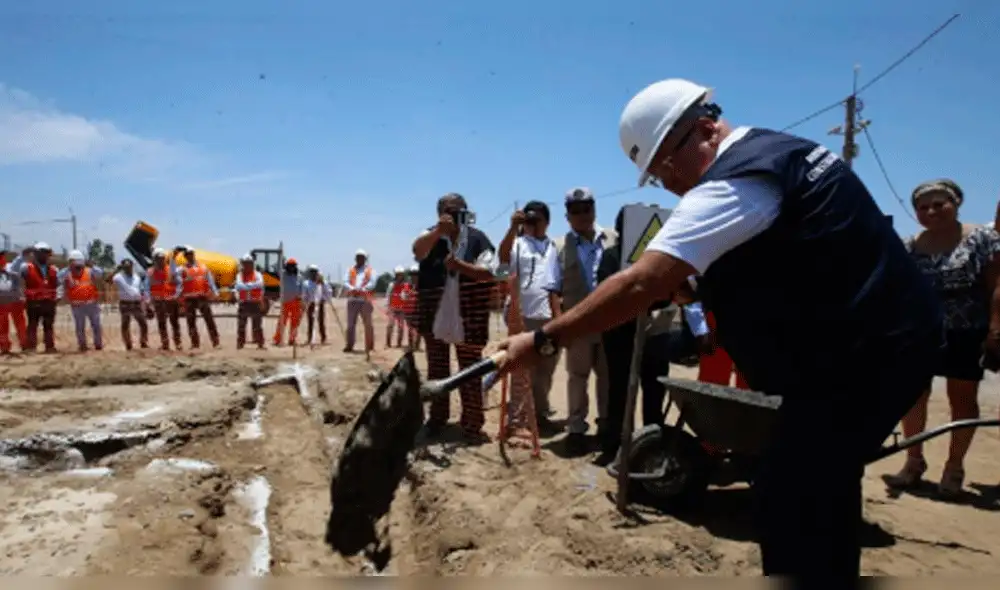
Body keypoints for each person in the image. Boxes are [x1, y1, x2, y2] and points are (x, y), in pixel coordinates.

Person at [494, 78, 944, 581]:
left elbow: (640, 281)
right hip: (877, 344)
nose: (665, 184)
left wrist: (542, 339)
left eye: (663, 168)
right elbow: (790, 260)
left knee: (792, 499)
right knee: (817, 486)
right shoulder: (780, 150)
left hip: (863, 356)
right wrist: (704, 289)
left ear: (705, 130)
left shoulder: (736, 180)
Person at [884, 179, 1000, 498]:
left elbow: (996, 287)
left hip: (967, 331)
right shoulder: (911, 246)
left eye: (939, 204)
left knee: (961, 399)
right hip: (922, 331)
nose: (931, 211)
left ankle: (954, 467)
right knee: (912, 396)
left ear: (956, 203)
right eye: (923, 207)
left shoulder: (982, 239)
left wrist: (995, 329)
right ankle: (913, 461)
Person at [412, 192, 497, 442]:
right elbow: (418, 252)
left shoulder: (477, 238)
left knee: (470, 369)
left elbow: (490, 271)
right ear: (440, 213)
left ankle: (472, 425)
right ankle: (437, 420)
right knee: (437, 368)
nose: (454, 215)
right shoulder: (429, 235)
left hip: (468, 313)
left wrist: (460, 267)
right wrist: (439, 232)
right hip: (434, 312)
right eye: (448, 210)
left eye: (459, 210)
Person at [595, 205, 675, 464]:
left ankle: (652, 446)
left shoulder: (659, 259)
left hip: (654, 334)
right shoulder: (611, 257)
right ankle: (616, 445)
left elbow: (667, 294)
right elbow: (608, 293)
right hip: (618, 334)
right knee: (619, 390)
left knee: (654, 389)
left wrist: (647, 301)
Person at [543, 188, 618, 455]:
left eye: (586, 208)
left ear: (594, 209)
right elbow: (552, 288)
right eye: (576, 211)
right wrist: (559, 325)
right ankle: (576, 429)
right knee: (577, 377)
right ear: (567, 216)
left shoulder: (613, 239)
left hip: (610, 321)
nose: (582, 215)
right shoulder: (559, 245)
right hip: (577, 325)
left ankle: (607, 426)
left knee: (607, 377)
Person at [497, 200, 560, 433]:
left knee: (546, 368)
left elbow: (555, 284)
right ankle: (516, 418)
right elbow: (502, 264)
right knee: (521, 368)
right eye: (528, 220)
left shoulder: (553, 246)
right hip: (521, 315)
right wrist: (513, 228)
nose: (532, 225)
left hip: (547, 315)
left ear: (547, 222)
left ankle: (540, 414)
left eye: (537, 220)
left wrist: (557, 316)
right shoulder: (518, 244)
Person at [176, 246, 220, 349]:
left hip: (202, 298)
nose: (190, 256)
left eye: (191, 254)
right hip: (189, 299)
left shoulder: (203, 267)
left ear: (193, 255)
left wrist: (216, 293)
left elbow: (210, 281)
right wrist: (177, 296)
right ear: (185, 256)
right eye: (188, 255)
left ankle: (216, 342)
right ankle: (195, 344)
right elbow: (178, 283)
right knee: (191, 322)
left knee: (209, 320)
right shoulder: (182, 269)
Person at [18, 242, 60, 353]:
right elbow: (21, 283)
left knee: (48, 325)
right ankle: (31, 347)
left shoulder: (54, 269)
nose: (44, 255)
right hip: (33, 301)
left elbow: (58, 284)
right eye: (41, 253)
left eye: (46, 253)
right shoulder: (26, 267)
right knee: (32, 325)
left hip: (49, 302)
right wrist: (22, 296)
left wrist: (58, 296)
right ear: (35, 254)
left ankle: (49, 347)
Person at [59, 250, 104, 352]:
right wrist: (68, 268)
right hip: (77, 305)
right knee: (80, 327)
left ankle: (98, 344)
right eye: (74, 264)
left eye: (79, 264)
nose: (77, 267)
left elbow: (100, 273)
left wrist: (92, 265)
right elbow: (59, 277)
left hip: (91, 304)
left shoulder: (89, 271)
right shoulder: (67, 273)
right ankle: (82, 345)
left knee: (96, 325)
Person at [146, 248, 183, 351]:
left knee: (174, 322)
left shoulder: (170, 270)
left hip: (171, 300)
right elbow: (147, 287)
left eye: (162, 258)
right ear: (154, 259)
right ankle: (165, 343)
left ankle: (178, 343)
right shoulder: (150, 272)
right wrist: (148, 301)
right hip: (158, 301)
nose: (160, 260)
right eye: (158, 258)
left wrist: (177, 295)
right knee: (162, 323)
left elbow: (179, 283)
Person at [343, 249, 376, 353]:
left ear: (365, 259)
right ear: (355, 258)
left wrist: (363, 289)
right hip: (352, 299)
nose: (359, 259)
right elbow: (345, 281)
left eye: (362, 257)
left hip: (365, 300)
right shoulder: (350, 270)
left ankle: (369, 345)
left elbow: (372, 283)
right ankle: (349, 344)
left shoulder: (371, 270)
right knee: (350, 324)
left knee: (368, 324)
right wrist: (352, 288)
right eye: (358, 257)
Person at [113, 258, 150, 350]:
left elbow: (141, 289)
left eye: (129, 266)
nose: (128, 268)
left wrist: (145, 300)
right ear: (123, 267)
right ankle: (128, 344)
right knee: (125, 324)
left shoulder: (137, 277)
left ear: (132, 266)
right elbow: (107, 280)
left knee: (143, 323)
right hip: (125, 304)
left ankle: (143, 342)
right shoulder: (118, 277)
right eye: (125, 267)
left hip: (136, 303)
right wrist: (116, 270)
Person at [234, 254, 266, 350]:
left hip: (255, 303)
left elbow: (260, 284)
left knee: (257, 326)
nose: (247, 265)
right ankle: (240, 344)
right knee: (241, 325)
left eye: (249, 263)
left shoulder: (258, 274)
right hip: (244, 303)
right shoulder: (239, 275)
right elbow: (238, 287)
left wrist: (246, 285)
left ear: (252, 264)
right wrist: (252, 285)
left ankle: (260, 344)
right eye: (245, 263)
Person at [0, 249, 27, 354]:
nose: (2, 259)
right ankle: (5, 347)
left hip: (15, 301)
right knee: (2, 326)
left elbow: (19, 260)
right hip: (1, 302)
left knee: (20, 324)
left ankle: (24, 344)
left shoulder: (11, 268)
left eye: (2, 257)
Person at [274, 257, 303, 346]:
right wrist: (280, 259)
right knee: (282, 322)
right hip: (285, 302)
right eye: (290, 266)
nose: (292, 268)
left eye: (293, 266)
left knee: (295, 322)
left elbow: (301, 289)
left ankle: (292, 339)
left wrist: (301, 298)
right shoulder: (282, 274)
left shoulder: (299, 277)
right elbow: (276, 268)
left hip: (296, 302)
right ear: (286, 266)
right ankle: (278, 339)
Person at [385, 266, 414, 348]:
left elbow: (407, 296)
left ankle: (399, 343)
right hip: (392, 308)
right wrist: (388, 307)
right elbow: (388, 296)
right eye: (398, 274)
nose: (399, 276)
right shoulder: (391, 285)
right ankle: (388, 343)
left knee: (401, 326)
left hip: (402, 309)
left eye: (401, 274)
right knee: (390, 325)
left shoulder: (406, 285)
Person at [302, 265, 328, 346]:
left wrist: (323, 299)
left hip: (319, 304)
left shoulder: (322, 283)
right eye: (312, 271)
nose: (313, 273)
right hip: (310, 304)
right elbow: (304, 294)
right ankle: (310, 338)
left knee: (321, 322)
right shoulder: (306, 283)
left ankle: (323, 338)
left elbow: (327, 292)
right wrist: (305, 303)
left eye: (315, 271)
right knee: (310, 322)